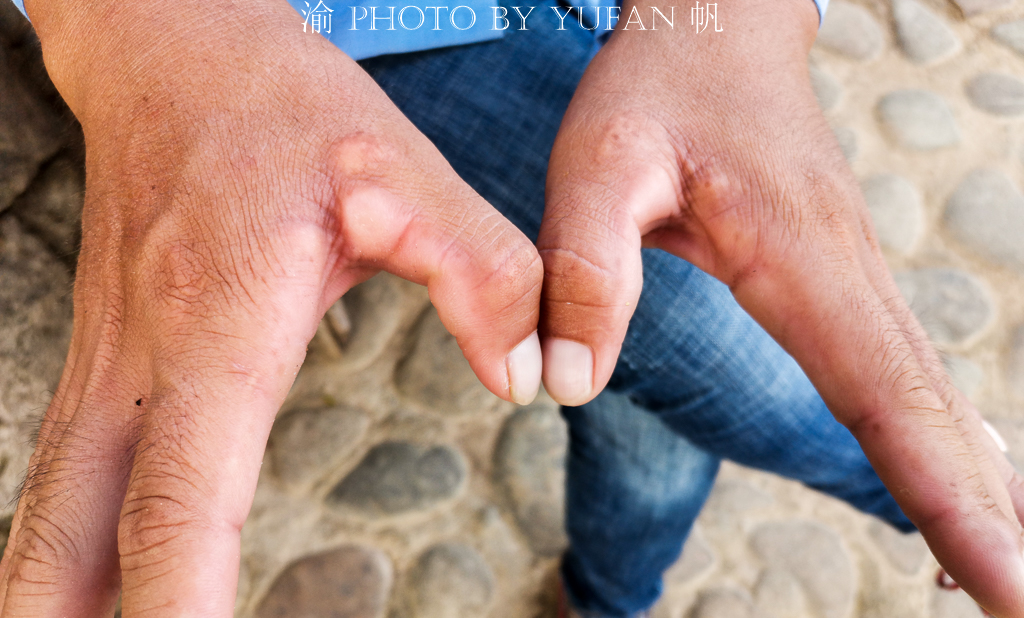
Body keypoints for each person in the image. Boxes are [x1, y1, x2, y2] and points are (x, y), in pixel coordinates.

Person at [1, 0, 1022, 617]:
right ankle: (954, 498)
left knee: (645, 338)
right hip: (359, 21)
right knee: (684, 327)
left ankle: (618, 589)